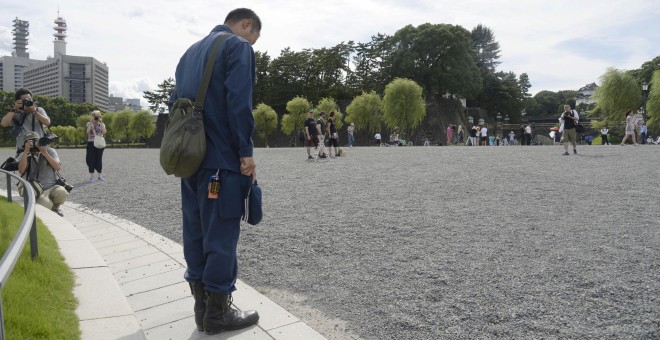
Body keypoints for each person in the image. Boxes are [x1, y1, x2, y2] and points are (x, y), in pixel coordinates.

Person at [167, 8, 260, 335]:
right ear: (246, 25)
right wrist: (245, 151)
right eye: (254, 37)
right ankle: (218, 314)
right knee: (221, 234)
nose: (253, 44)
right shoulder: (238, 47)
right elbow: (239, 102)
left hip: (190, 161)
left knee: (195, 232)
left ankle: (202, 309)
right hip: (221, 161)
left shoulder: (188, 54)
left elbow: (174, 105)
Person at [16, 131, 68, 216]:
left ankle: (55, 208)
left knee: (62, 192)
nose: (33, 144)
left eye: (35, 141)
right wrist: (26, 151)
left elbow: (58, 168)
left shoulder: (50, 151)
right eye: (29, 142)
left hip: (52, 186)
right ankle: (52, 210)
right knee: (46, 205)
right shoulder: (23, 154)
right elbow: (21, 170)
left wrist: (44, 152)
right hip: (36, 190)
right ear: (25, 144)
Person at [1, 88, 51, 154]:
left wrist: (34, 111)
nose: (28, 101)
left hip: (39, 149)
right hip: (22, 149)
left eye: (30, 99)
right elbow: (4, 124)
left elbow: (47, 122)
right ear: (18, 101)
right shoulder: (16, 113)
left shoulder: (39, 110)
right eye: (25, 100)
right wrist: (14, 109)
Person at [86, 110, 106, 182]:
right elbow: (87, 131)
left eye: (97, 115)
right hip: (91, 143)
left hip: (99, 143)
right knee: (90, 159)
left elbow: (104, 132)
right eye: (94, 115)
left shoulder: (101, 124)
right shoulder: (89, 123)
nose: (96, 117)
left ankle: (100, 175)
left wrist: (101, 124)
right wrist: (91, 123)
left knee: (99, 159)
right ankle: (91, 176)